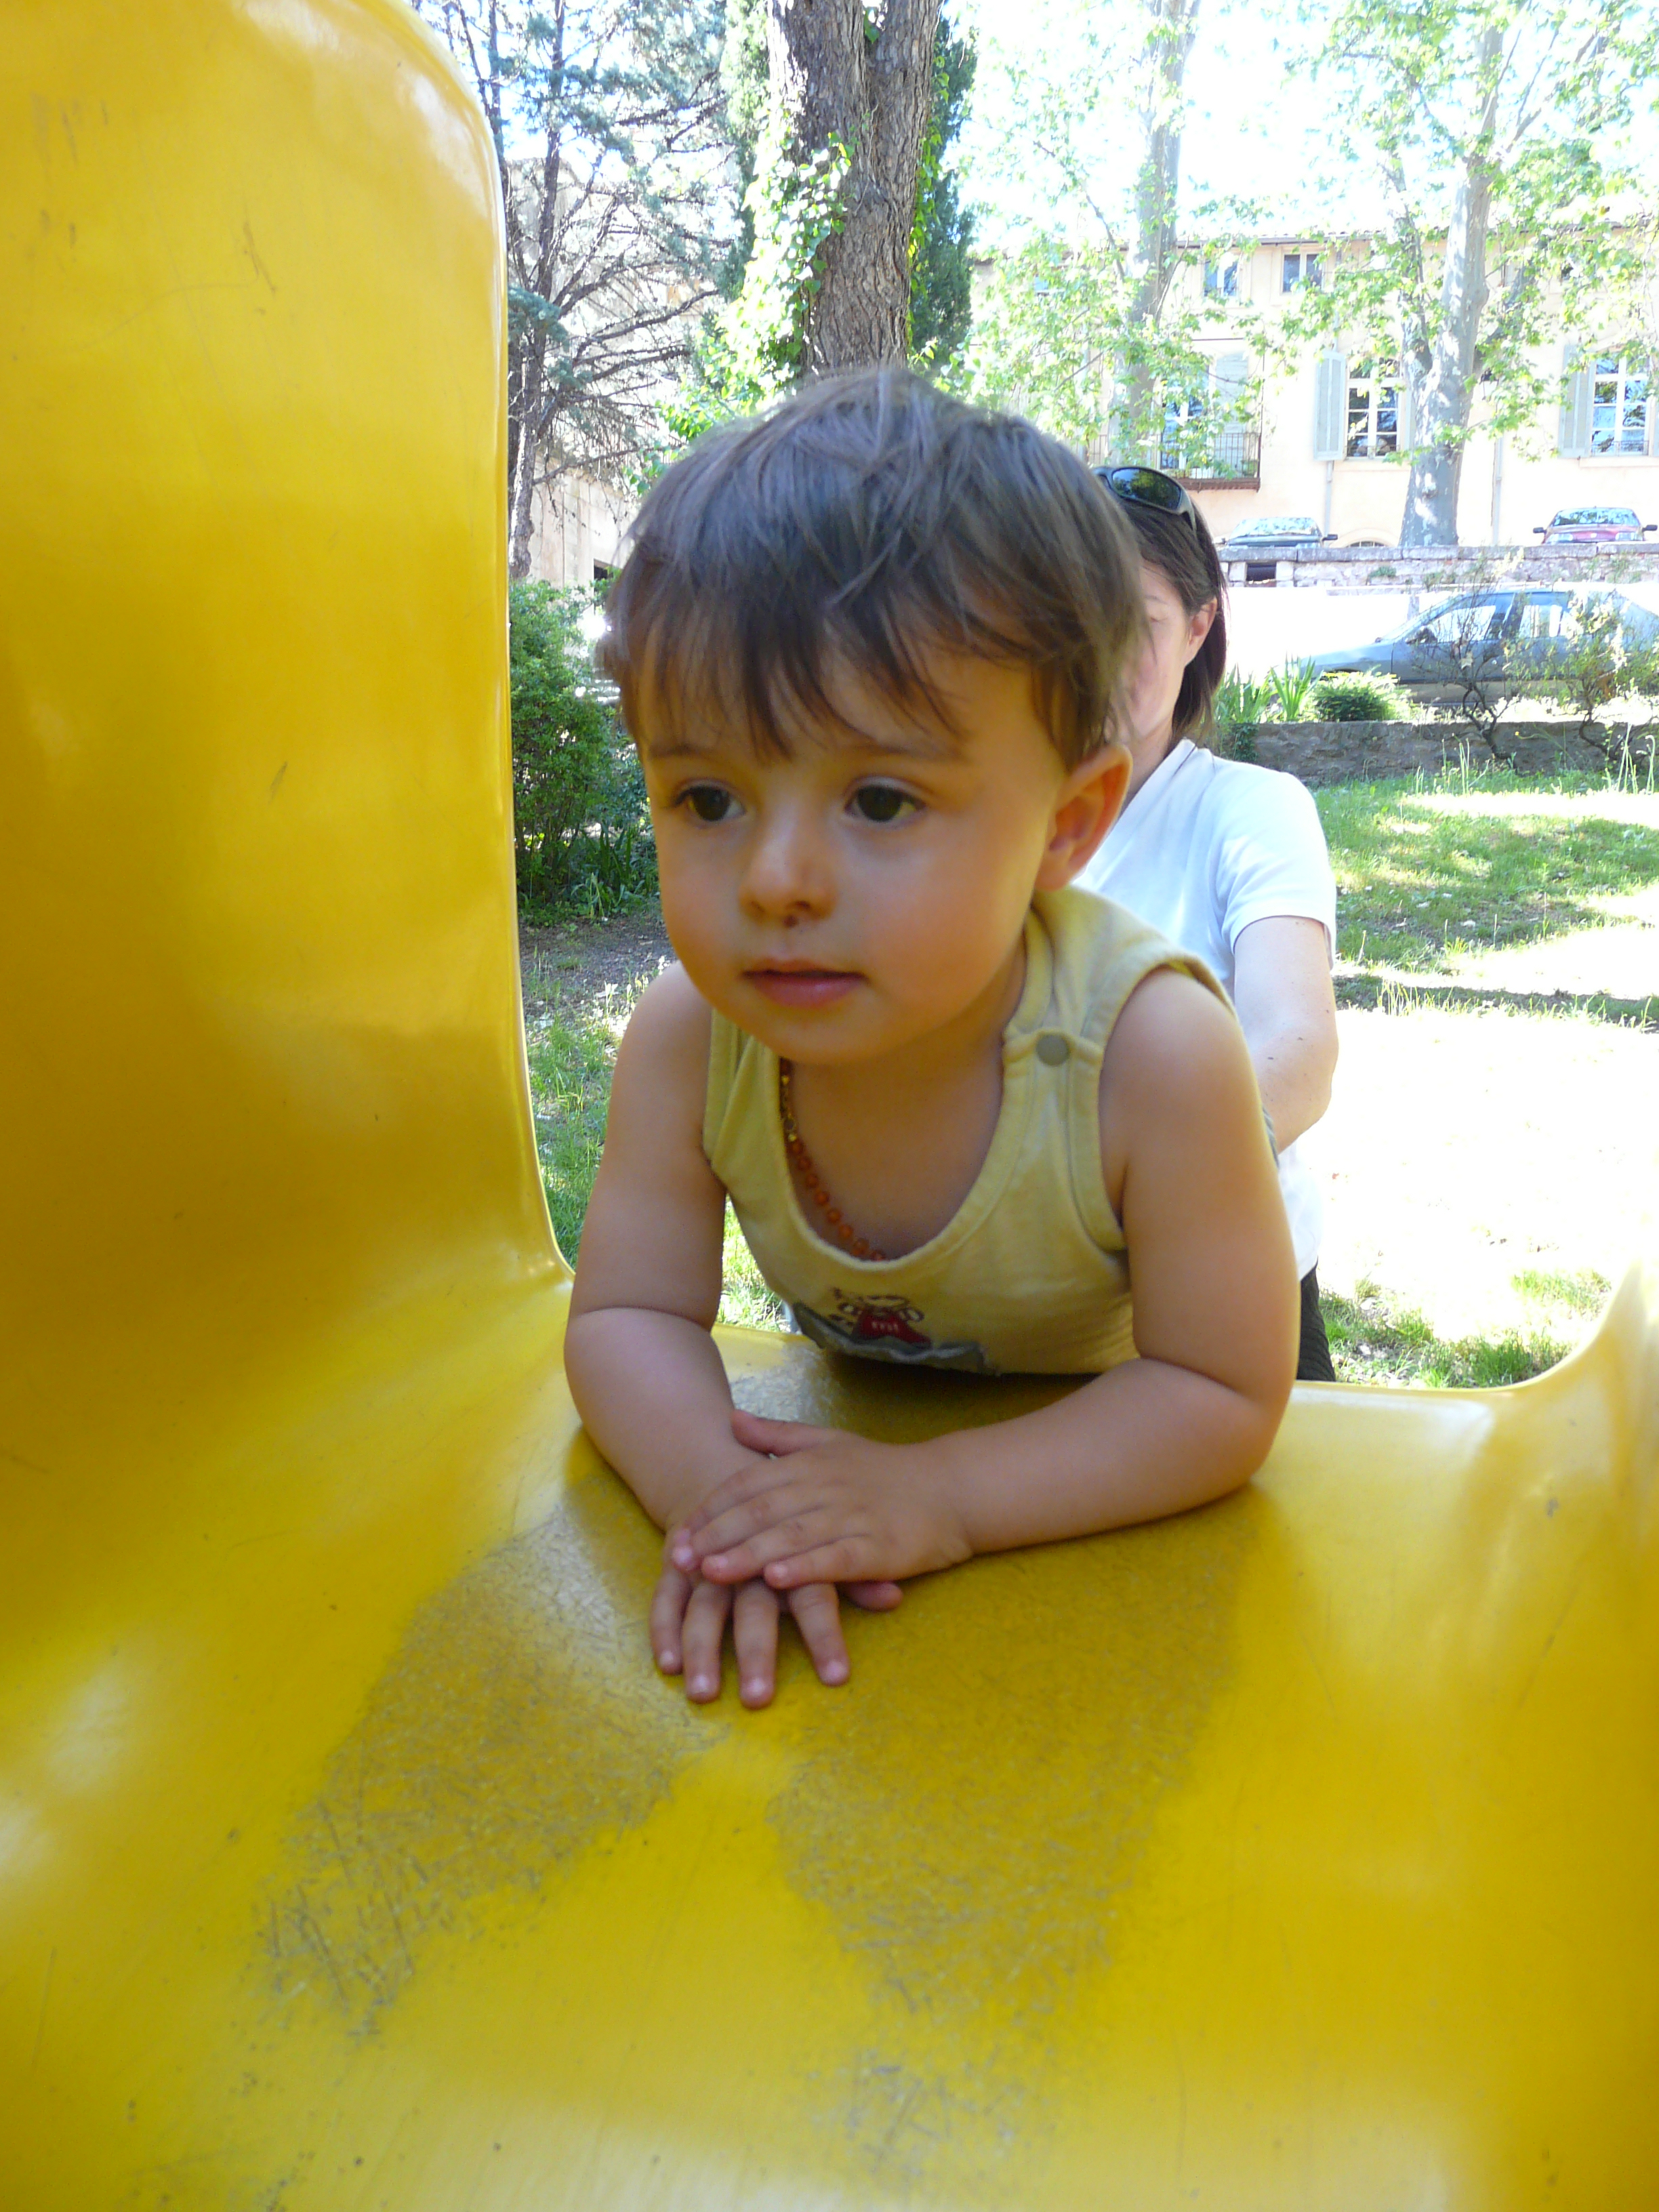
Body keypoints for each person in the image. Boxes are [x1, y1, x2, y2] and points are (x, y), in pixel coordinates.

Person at [565, 371, 1297, 1711]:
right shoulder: (691, 1041)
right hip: (861, 1514)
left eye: (882, 801)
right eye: (709, 797)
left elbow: (1219, 1390)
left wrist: (942, 1495)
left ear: (1067, 827)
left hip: (1101, 1557)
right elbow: (626, 1314)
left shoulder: (1152, 1056)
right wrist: (730, 1509)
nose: (777, 879)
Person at [1081, 466, 1340, 1381]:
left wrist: (1135, 1182)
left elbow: (1297, 1045)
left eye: (1136, 623)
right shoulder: (969, 818)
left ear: (1198, 628)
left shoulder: (1253, 810)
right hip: (1016, 1311)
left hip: (1230, 1298)